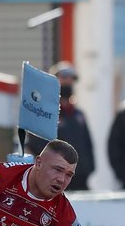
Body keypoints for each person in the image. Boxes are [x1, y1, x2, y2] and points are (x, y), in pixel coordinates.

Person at [25, 62, 95, 190]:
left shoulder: (78, 114)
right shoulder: (44, 112)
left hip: (79, 178)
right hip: (55, 180)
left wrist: (88, 168)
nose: (68, 81)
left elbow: (88, 144)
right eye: (64, 77)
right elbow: (35, 145)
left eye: (71, 78)